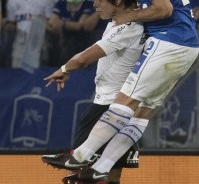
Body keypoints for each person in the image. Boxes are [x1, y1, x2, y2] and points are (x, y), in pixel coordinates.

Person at [42, 0, 199, 182]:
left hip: (169, 40)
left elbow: (164, 9)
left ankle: (79, 156)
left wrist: (129, 15)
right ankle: (101, 167)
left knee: (126, 103)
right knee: (142, 112)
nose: (94, 4)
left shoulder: (130, 24)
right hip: (186, 44)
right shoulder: (133, 24)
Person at [41, 0, 144, 183]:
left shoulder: (129, 28)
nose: (94, 4)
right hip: (120, 106)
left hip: (107, 109)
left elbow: (84, 59)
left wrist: (64, 69)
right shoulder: (117, 24)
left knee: (81, 175)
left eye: (99, 0)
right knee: (109, 174)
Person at [4, 0, 56, 69]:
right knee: (17, 70)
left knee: (37, 71)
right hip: (20, 39)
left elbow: (51, 24)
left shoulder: (46, 1)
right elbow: (12, 22)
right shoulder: (12, 1)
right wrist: (8, 26)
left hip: (38, 40)